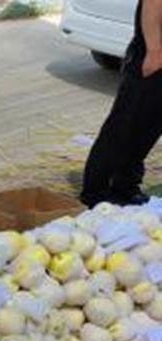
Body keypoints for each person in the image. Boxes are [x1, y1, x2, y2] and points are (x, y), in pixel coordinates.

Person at [80, 0, 162, 208]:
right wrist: (154, 51)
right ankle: (96, 191)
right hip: (154, 54)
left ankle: (125, 186)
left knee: (149, 128)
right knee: (125, 125)